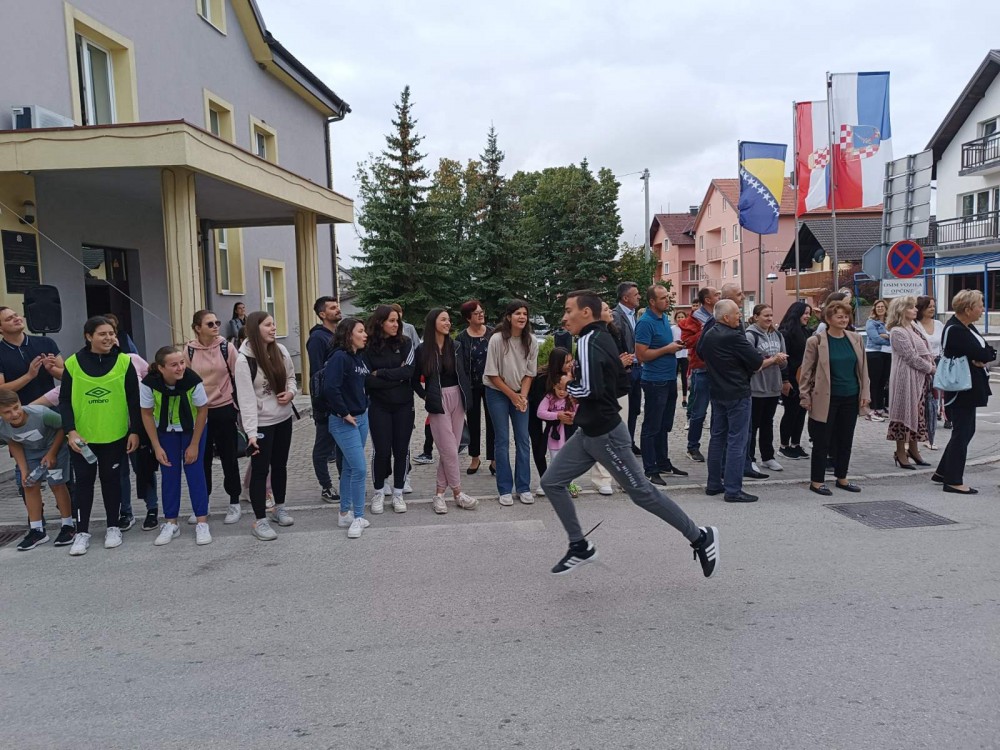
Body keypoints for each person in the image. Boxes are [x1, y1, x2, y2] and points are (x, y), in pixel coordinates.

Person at [539, 290, 719, 578]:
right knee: (551, 482)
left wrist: (570, 385)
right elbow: (621, 384)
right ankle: (579, 546)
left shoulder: (587, 340)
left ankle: (700, 536)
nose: (564, 317)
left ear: (586, 312)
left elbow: (590, 390)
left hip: (606, 435)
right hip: (589, 432)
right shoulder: (603, 338)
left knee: (642, 493)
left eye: (568, 310)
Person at [60, 316, 141, 556]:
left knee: (112, 482)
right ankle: (82, 532)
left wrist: (135, 431)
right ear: (89, 336)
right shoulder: (73, 363)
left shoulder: (124, 362)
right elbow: (64, 400)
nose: (108, 338)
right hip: (83, 439)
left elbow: (134, 400)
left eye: (111, 333)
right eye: (102, 334)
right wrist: (70, 430)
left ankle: (113, 527)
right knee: (83, 484)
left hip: (115, 435)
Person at [700, 300, 772, 503]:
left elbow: (700, 352)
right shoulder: (734, 336)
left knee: (717, 438)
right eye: (736, 314)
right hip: (737, 392)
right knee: (737, 441)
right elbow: (756, 362)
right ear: (726, 317)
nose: (740, 316)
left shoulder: (709, 334)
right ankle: (733, 489)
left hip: (717, 392)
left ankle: (714, 483)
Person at [235, 312, 297, 541]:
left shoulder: (280, 350)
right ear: (255, 328)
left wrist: (291, 393)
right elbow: (246, 400)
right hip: (261, 423)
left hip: (283, 418)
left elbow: (291, 378)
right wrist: (251, 433)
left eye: (274, 324)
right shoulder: (244, 360)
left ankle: (279, 508)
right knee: (260, 470)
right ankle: (259, 520)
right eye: (268, 325)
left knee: (280, 466)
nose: (273, 328)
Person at [140, 346, 212, 547]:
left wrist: (194, 444)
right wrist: (156, 446)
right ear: (161, 368)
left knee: (195, 472)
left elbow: (203, 411)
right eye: (174, 365)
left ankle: (202, 522)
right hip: (165, 431)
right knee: (169, 474)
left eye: (182, 363)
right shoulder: (149, 384)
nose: (180, 368)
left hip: (192, 430)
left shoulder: (193, 381)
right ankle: (171, 523)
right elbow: (146, 414)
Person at [798, 300, 870, 496]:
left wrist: (865, 393)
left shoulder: (855, 338)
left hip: (851, 395)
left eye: (846, 316)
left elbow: (863, 369)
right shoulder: (816, 341)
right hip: (825, 398)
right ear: (828, 319)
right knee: (822, 441)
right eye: (839, 316)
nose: (844, 320)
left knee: (845, 439)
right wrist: (804, 396)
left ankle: (842, 477)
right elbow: (806, 371)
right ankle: (817, 481)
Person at [412, 309, 478, 513]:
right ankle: (458, 493)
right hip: (437, 401)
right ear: (433, 323)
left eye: (449, 320)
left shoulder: (455, 346)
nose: (448, 323)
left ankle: (439, 494)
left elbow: (464, 372)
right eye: (443, 319)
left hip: (457, 397)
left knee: (451, 449)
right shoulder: (422, 350)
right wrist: (426, 396)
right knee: (448, 450)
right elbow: (413, 380)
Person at [184, 310, 244, 526]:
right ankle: (203, 503)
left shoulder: (226, 347)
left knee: (229, 457)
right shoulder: (189, 350)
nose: (215, 326)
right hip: (200, 411)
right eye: (209, 324)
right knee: (203, 459)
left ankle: (234, 501)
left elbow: (240, 375)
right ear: (197, 328)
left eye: (217, 322)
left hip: (224, 407)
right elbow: (185, 379)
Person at [934, 290, 994, 494]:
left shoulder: (967, 327)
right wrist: (981, 356)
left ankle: (942, 472)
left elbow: (988, 351)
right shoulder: (956, 330)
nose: (982, 309)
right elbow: (981, 353)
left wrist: (983, 356)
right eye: (980, 305)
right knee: (962, 431)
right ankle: (953, 480)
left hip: (970, 386)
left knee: (966, 430)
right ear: (968, 309)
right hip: (961, 388)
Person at [0, 389, 75, 551]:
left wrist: (52, 454)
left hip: (55, 448)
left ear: (20, 403)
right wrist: (23, 469)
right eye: (7, 412)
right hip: (30, 452)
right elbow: (13, 442)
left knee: (57, 484)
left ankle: (68, 525)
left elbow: (63, 427)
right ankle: (37, 530)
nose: (14, 414)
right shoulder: (2, 426)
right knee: (29, 485)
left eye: (16, 407)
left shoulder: (41, 413)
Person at [325, 318, 376, 537]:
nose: (365, 335)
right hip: (344, 421)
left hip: (361, 417)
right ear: (348, 334)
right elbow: (330, 388)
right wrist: (344, 413)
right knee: (359, 469)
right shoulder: (339, 357)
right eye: (361, 331)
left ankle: (344, 512)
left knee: (348, 467)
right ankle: (358, 516)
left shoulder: (358, 356)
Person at [484, 300, 539, 506]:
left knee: (523, 439)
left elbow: (530, 373)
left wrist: (522, 397)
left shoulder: (531, 341)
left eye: (525, 313)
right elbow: (492, 374)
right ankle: (505, 488)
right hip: (497, 392)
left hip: (519, 393)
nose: (522, 317)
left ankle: (523, 487)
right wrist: (512, 396)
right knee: (502, 440)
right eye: (517, 313)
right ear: (509, 317)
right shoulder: (497, 339)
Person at [363, 305, 415, 514]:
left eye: (397, 321)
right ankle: (378, 492)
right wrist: (396, 376)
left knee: (401, 450)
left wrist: (381, 373)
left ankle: (398, 493)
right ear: (380, 322)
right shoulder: (367, 346)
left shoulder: (406, 343)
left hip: (404, 405)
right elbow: (367, 380)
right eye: (391, 321)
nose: (396, 324)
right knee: (382, 451)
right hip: (379, 406)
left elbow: (409, 371)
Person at [634, 284, 688, 485]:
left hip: (669, 378)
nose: (668, 300)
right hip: (655, 381)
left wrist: (674, 347)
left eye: (667, 296)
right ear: (652, 302)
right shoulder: (645, 323)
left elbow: (664, 346)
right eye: (663, 298)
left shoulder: (664, 317)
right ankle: (650, 469)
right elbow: (641, 355)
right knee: (652, 426)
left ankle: (663, 462)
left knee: (664, 424)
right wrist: (667, 349)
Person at [886, 296, 935, 470]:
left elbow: (924, 349)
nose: (915, 310)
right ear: (901, 310)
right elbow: (910, 357)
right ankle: (900, 452)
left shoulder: (914, 326)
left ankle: (914, 450)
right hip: (905, 379)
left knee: (917, 415)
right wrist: (930, 368)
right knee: (903, 415)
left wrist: (930, 365)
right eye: (911, 307)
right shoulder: (897, 331)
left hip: (919, 378)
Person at [306, 296, 342, 504]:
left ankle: (346, 482)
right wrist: (323, 402)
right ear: (322, 314)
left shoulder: (338, 335)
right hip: (326, 404)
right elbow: (317, 373)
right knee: (323, 447)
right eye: (332, 308)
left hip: (341, 401)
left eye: (337, 306)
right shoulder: (318, 339)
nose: (337, 310)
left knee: (342, 447)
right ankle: (326, 486)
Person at [679, 286, 721, 462]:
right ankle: (692, 447)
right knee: (699, 412)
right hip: (701, 369)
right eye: (716, 295)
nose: (719, 296)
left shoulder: (721, 314)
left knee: (719, 411)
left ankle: (717, 445)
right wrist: (706, 330)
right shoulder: (694, 319)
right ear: (708, 300)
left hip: (719, 371)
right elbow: (686, 342)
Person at [746, 304, 789, 472]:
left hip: (773, 387)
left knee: (767, 424)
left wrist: (782, 361)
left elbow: (784, 362)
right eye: (766, 315)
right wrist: (772, 360)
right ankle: (749, 459)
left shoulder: (777, 335)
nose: (769, 318)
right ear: (756, 317)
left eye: (771, 315)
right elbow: (751, 364)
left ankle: (768, 457)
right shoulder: (750, 335)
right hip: (756, 388)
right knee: (753, 425)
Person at [456, 300, 495, 476]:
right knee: (473, 422)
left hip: (492, 384)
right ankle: (475, 457)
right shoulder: (461, 338)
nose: (480, 315)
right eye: (476, 313)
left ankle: (494, 459)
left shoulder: (493, 334)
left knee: (493, 421)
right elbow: (459, 365)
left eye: (481, 311)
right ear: (468, 318)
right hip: (471, 386)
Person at [0, 305, 63, 404]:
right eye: (9, 319)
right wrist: (29, 376)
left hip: (51, 408)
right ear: (0, 328)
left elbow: (65, 376)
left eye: (16, 315)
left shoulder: (46, 342)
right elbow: (1, 390)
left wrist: (51, 369)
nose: (16, 319)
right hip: (18, 410)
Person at [778, 302, 813, 461]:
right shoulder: (785, 333)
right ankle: (784, 445)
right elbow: (784, 358)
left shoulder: (806, 332)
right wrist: (785, 380)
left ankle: (795, 444)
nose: (808, 316)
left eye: (809, 313)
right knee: (791, 412)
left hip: (804, 379)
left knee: (801, 412)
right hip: (791, 378)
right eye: (805, 313)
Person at [611, 282, 642, 454]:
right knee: (625, 408)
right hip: (626, 369)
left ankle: (629, 441)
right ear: (625, 298)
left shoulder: (634, 315)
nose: (639, 297)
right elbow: (616, 343)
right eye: (635, 294)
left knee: (635, 408)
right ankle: (622, 444)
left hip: (638, 367)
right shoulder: (616, 316)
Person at [916, 295, 944, 451]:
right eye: (929, 306)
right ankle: (915, 438)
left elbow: (944, 344)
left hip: (937, 364)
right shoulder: (915, 325)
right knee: (920, 402)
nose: (932, 309)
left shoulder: (939, 324)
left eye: (934, 306)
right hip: (921, 365)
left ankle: (930, 437)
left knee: (933, 402)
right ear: (921, 308)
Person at [864, 299, 891, 422]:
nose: (880, 309)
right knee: (874, 382)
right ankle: (872, 409)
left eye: (882, 307)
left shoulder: (889, 322)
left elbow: (896, 336)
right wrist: (890, 340)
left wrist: (888, 336)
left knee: (882, 382)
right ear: (874, 309)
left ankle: (880, 408)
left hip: (887, 354)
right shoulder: (871, 322)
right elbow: (875, 338)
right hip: (874, 353)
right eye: (878, 307)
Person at [673, 311, 690, 408]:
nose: (680, 319)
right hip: (675, 355)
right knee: (673, 377)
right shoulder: (672, 329)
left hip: (685, 355)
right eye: (678, 317)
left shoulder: (688, 329)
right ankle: (673, 397)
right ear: (675, 318)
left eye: (682, 317)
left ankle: (684, 399)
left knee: (684, 377)